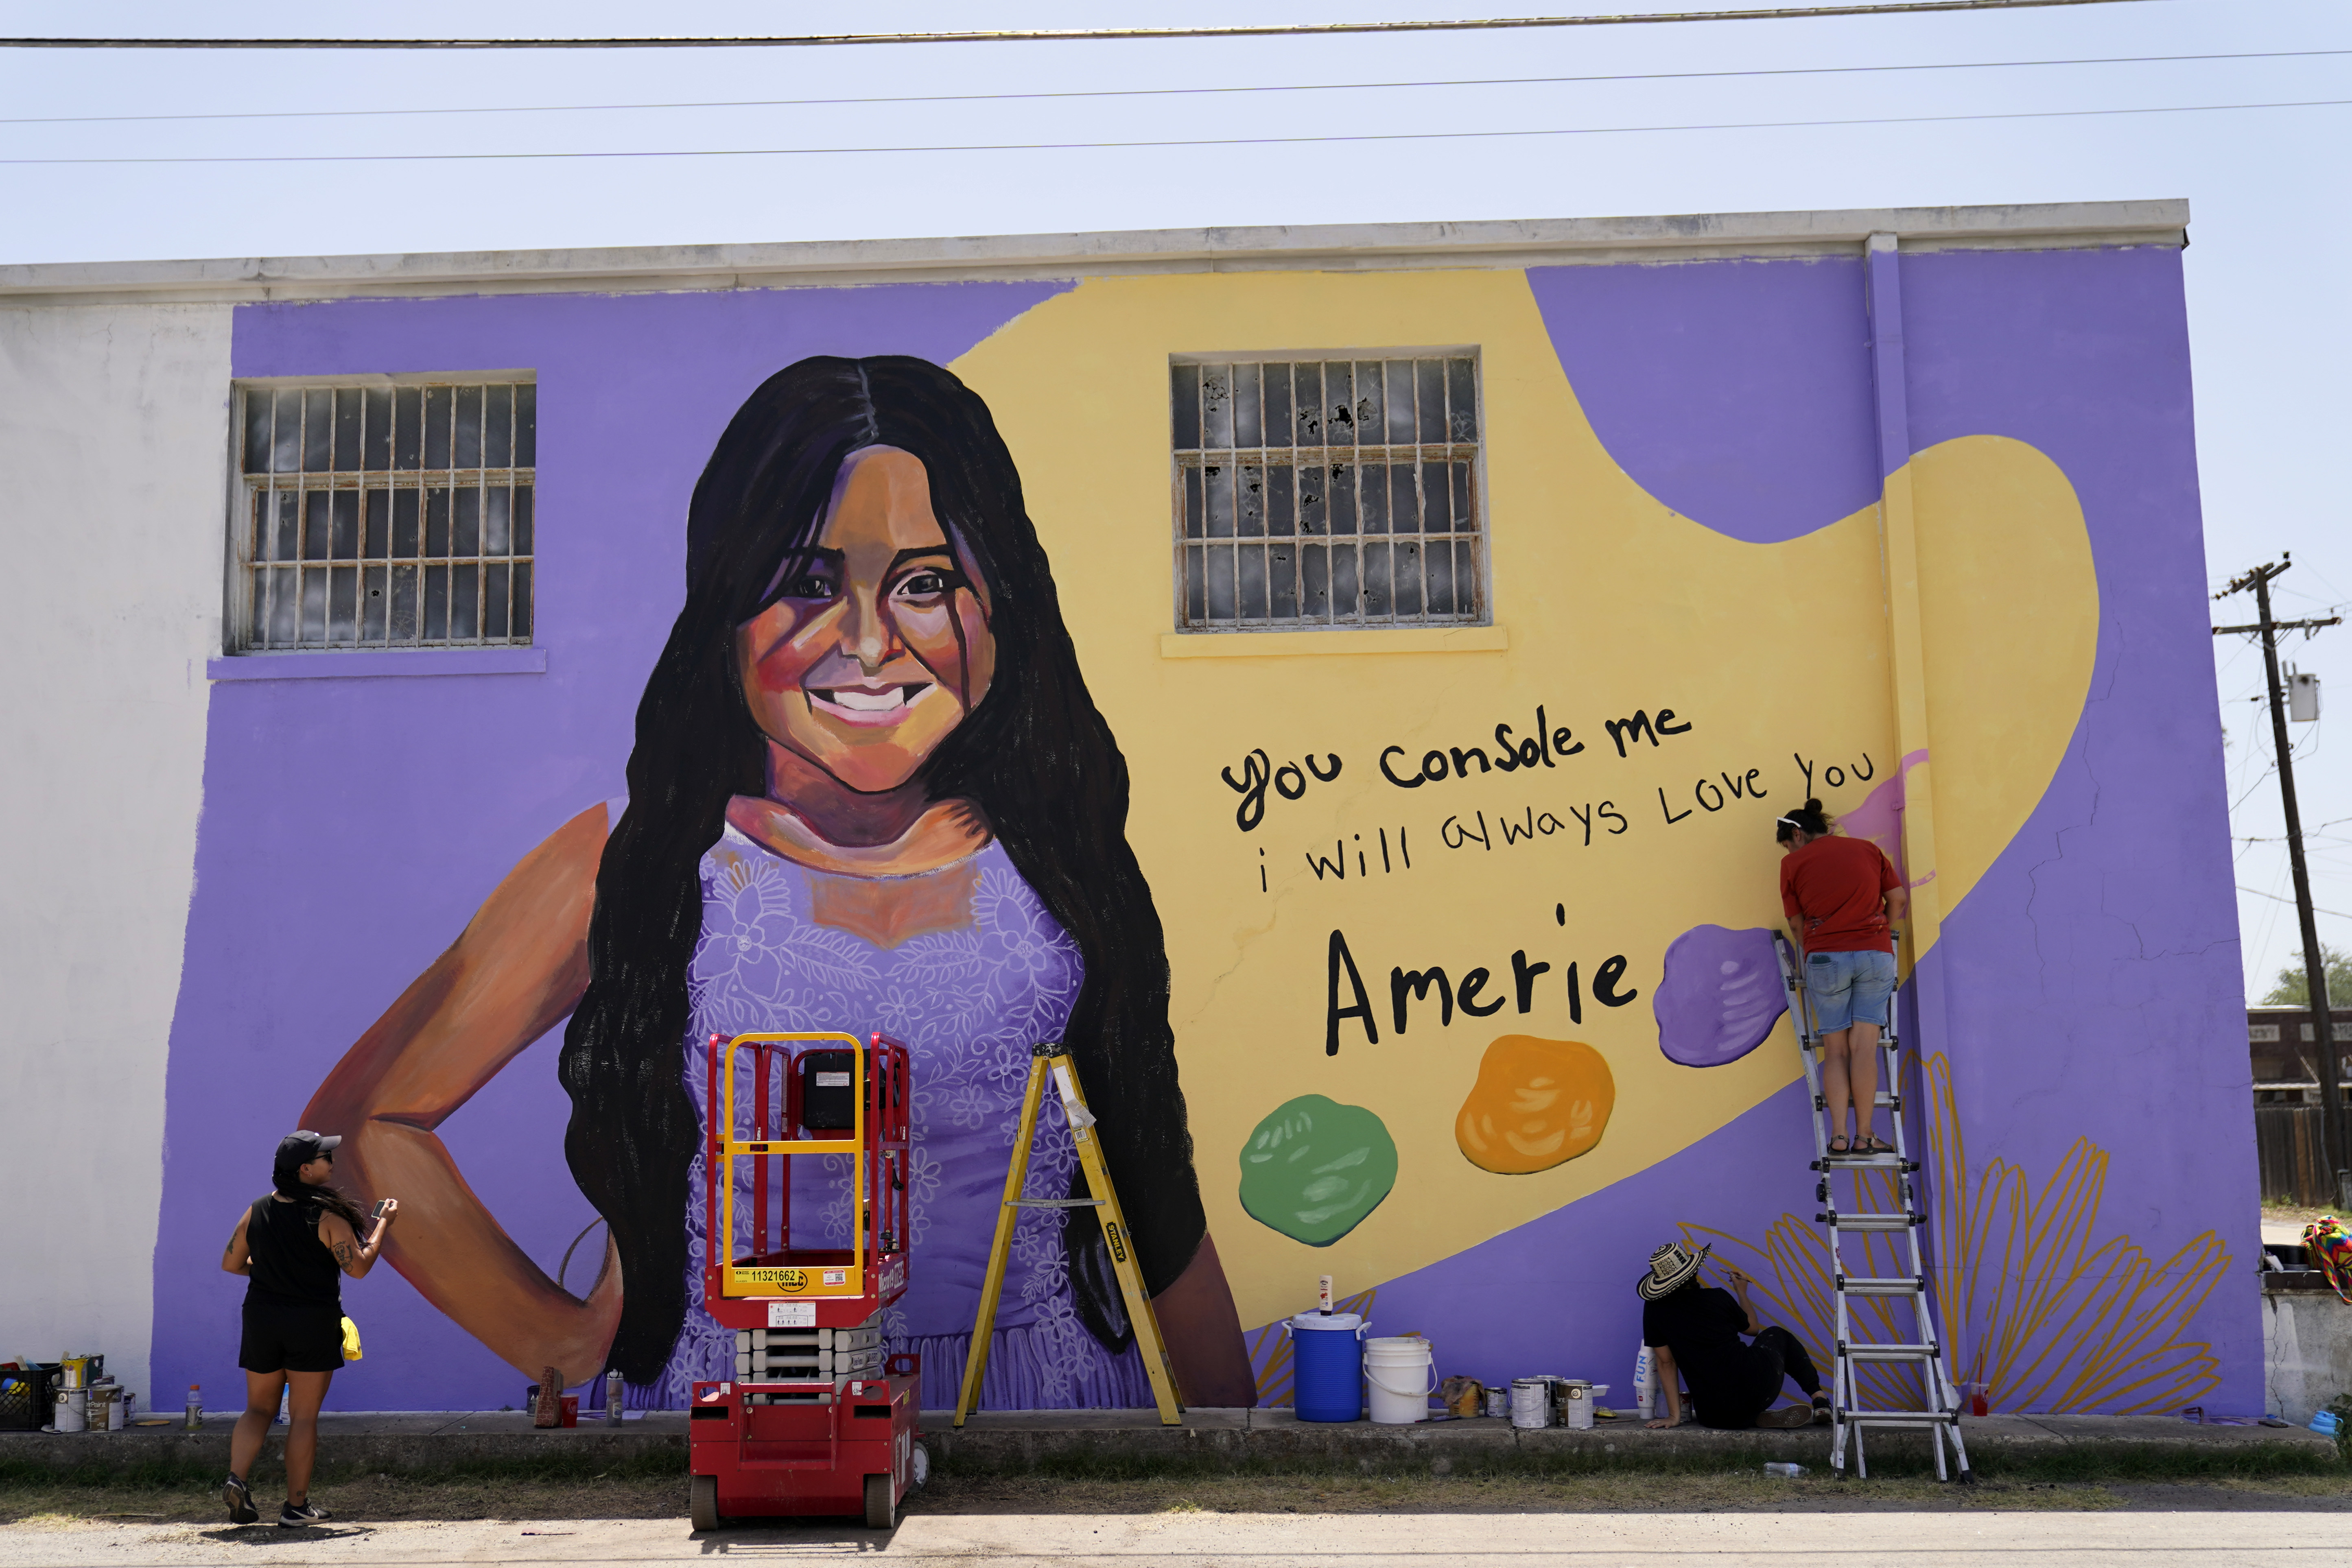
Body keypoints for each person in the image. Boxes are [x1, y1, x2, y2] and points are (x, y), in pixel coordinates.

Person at [301, 356, 1255, 1411]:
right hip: (746, 1410)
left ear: (998, 605)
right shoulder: (635, 865)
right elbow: (365, 1127)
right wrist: (563, 1348)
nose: (865, 643)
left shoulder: (1063, 864)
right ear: (727, 609)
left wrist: (1243, 1464)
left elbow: (1156, 1199)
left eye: (927, 583)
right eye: (806, 582)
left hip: (1049, 1407)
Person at [217, 1130, 398, 1527]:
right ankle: (296, 1506)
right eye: (325, 1157)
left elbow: (231, 1264)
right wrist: (383, 1223)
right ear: (305, 1169)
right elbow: (359, 1267)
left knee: (258, 1408)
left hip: (262, 1316)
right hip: (311, 1321)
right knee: (302, 1417)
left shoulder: (257, 1210)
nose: (331, 1163)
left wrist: (270, 1275)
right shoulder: (327, 1216)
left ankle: (237, 1479)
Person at [1777, 799, 1907, 1155]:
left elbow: (1795, 923)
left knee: (1834, 1051)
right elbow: (1896, 899)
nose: (1788, 851)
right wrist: (1879, 932)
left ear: (1797, 835)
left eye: (1788, 844)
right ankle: (1866, 1135)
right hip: (1875, 955)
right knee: (1864, 1048)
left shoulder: (1793, 863)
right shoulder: (1868, 851)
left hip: (1826, 959)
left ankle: (1838, 1136)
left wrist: (1812, 949)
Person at [1637, 1241, 1827, 1430]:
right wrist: (1741, 1291)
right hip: (1757, 1386)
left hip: (1712, 1413)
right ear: (1693, 1272)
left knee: (1724, 1404)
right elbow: (1752, 1329)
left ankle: (1750, 1417)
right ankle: (1820, 1400)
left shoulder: (1655, 1310)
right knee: (1777, 1334)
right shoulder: (1718, 1297)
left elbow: (1666, 1363)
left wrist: (1674, 1417)